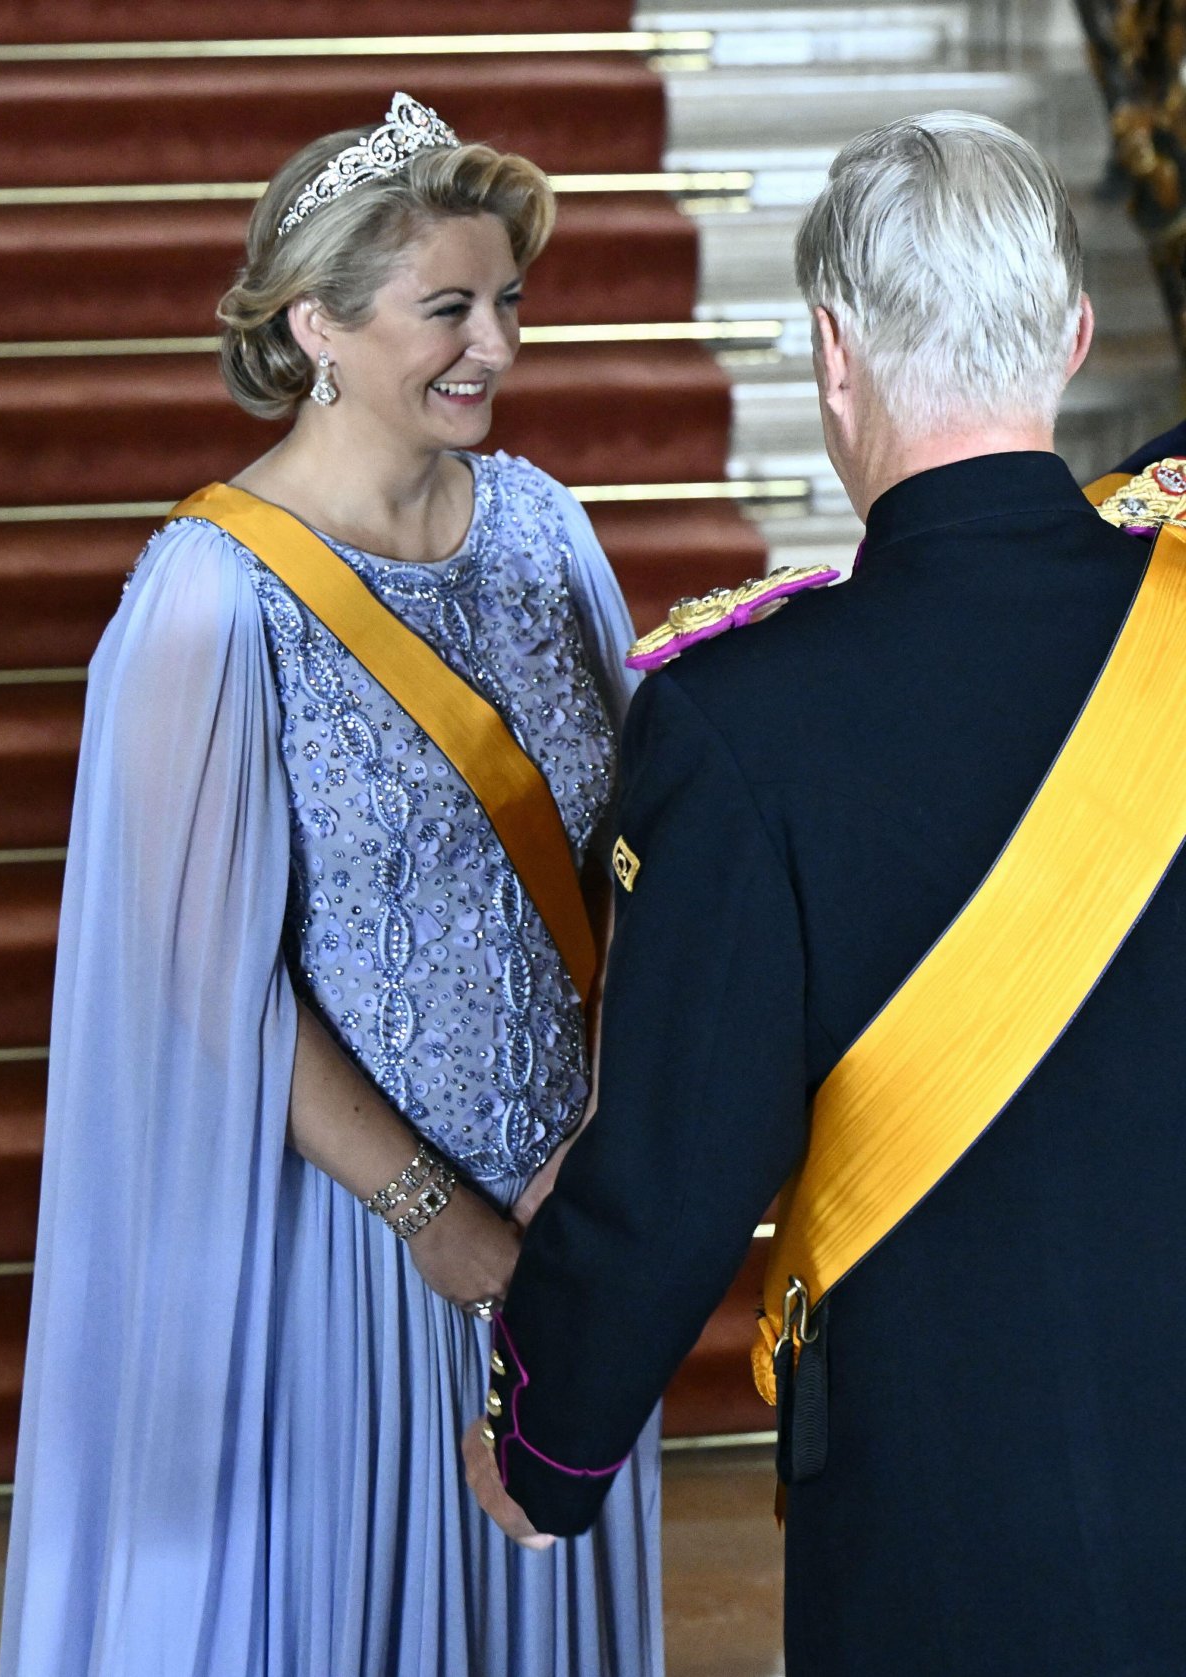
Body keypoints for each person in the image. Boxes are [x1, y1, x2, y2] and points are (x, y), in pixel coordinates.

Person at [463, 111, 1186, 1675]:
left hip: (954, 1518)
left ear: (832, 355)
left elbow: (669, 1172)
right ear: (1070, 337)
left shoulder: (744, 722)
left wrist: (547, 1439)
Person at [0, 94, 662, 1677]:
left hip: (564, 1228)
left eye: (508, 302)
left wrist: (599, 1140)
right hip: (346, 1256)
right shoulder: (209, 603)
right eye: (449, 308)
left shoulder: (548, 531)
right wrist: (431, 1213)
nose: (495, 343)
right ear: (317, 326)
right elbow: (199, 977)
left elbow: (633, 853)